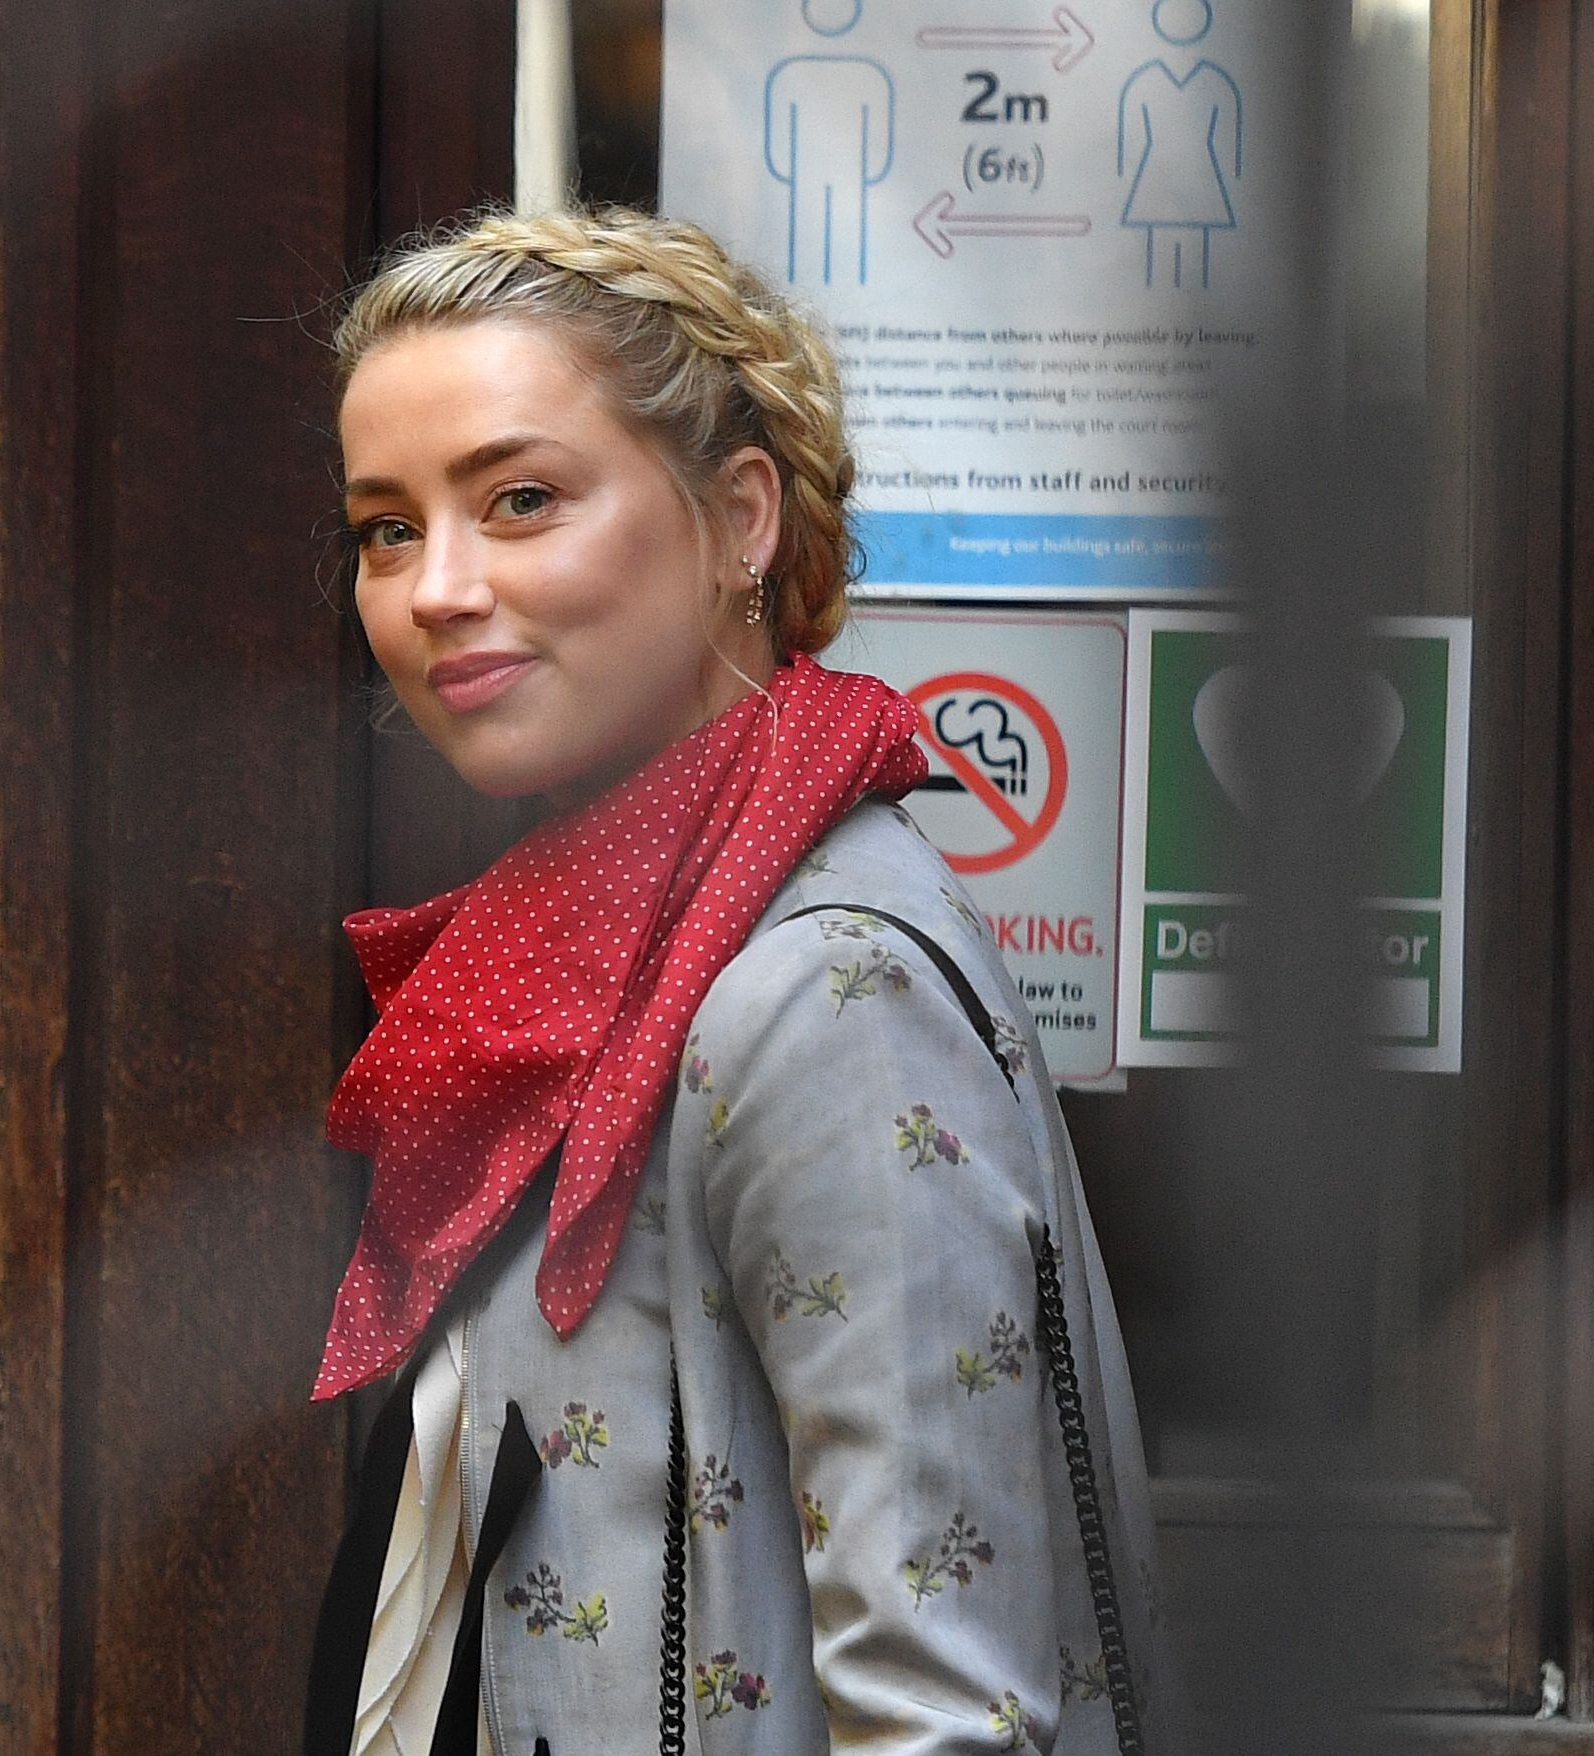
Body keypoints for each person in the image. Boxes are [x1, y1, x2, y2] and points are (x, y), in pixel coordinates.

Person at [299, 203, 1172, 1756]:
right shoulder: (594, 937)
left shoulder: (824, 987)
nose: (435, 588)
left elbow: (943, 1708)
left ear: (739, 520)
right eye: (387, 528)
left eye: (517, 499)